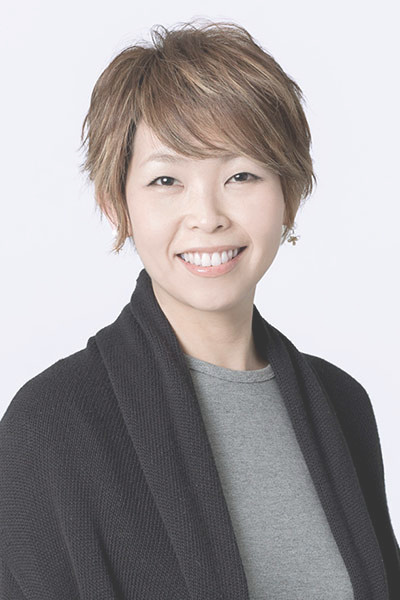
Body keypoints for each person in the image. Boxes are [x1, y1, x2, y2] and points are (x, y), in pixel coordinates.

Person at [0, 18, 399, 600]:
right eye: (166, 180)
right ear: (117, 204)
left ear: (288, 195)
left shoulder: (343, 406)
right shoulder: (52, 426)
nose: (207, 216)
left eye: (241, 175)